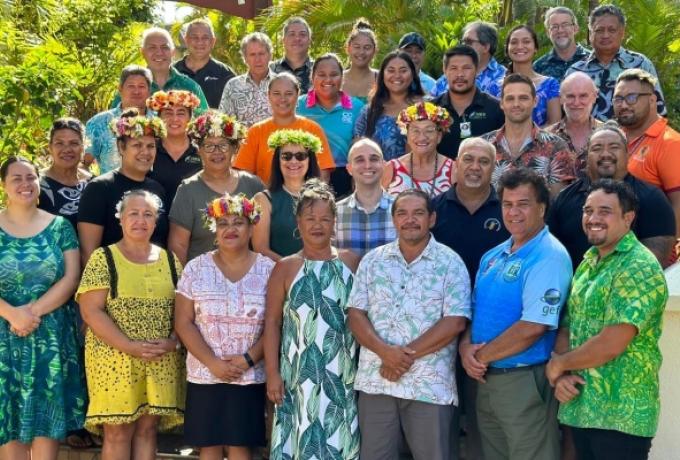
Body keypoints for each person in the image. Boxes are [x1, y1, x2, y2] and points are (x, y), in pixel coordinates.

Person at [547, 179, 668, 460]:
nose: (593, 219)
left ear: (628, 218)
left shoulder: (639, 265)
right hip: (583, 408)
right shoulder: (589, 262)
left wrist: (559, 364)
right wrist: (563, 375)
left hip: (621, 417)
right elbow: (568, 324)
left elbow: (613, 341)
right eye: (588, 211)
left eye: (605, 211)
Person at [347, 188, 471, 459]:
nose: (410, 220)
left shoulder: (450, 263)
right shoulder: (373, 261)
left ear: (432, 218)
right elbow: (355, 315)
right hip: (377, 382)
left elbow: (455, 322)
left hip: (428, 386)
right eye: (402, 213)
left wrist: (401, 357)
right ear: (394, 220)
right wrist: (386, 353)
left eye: (418, 213)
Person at [460, 167, 571, 460]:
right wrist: (464, 349)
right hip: (485, 379)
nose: (514, 212)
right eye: (508, 204)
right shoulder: (493, 255)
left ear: (542, 208)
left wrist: (478, 358)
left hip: (522, 381)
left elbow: (535, 326)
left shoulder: (549, 255)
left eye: (523, 204)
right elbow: (474, 312)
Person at [77, 190, 184, 460]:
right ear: (121, 219)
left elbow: (185, 312)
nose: (140, 220)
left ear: (156, 221)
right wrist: (129, 346)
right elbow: (91, 311)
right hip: (114, 357)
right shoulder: (104, 258)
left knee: (148, 431)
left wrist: (173, 341)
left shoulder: (171, 261)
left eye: (148, 214)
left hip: (160, 358)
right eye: (133, 214)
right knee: (117, 432)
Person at [264, 179, 361, 460]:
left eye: (324, 219)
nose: (317, 225)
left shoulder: (351, 263)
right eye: (310, 218)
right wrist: (272, 374)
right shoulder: (285, 267)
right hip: (296, 376)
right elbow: (272, 323)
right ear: (298, 222)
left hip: (342, 376)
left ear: (334, 222)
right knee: (299, 441)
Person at [175, 193, 273, 460]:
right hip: (205, 373)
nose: (230, 229)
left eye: (238, 222)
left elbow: (275, 324)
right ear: (214, 229)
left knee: (241, 445)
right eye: (223, 223)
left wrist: (247, 359)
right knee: (209, 445)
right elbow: (183, 321)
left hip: (250, 373)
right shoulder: (196, 268)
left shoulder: (269, 270)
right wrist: (212, 362)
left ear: (252, 227)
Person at [0, 156, 86, 459]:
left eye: (31, 177)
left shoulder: (60, 226)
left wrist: (30, 314)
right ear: (4, 186)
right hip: (4, 339)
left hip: (50, 336)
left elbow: (72, 277)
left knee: (46, 425)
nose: (25, 184)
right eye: (17, 179)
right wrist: (12, 314)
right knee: (7, 420)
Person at [431, 137, 510, 460]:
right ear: (456, 164)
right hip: (440, 327)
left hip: (488, 329)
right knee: (441, 418)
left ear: (494, 168)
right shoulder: (434, 209)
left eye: (484, 161)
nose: (475, 167)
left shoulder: (508, 209)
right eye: (469, 159)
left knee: (482, 420)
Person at [548, 123, 675, 268]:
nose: (605, 154)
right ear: (586, 157)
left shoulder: (651, 198)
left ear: (627, 154)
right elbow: (551, 252)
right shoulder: (565, 199)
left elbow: (652, 264)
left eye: (614, 147)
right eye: (597, 148)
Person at [169, 111, 263, 265]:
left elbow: (263, 239)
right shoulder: (188, 190)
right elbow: (178, 245)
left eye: (223, 145)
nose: (217, 152)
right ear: (198, 150)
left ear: (235, 148)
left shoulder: (253, 185)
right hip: (201, 282)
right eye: (209, 146)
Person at [78, 109, 169, 265]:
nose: (145, 152)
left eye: (150, 146)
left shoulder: (157, 189)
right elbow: (89, 253)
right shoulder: (99, 188)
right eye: (137, 145)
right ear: (121, 147)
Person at [566, 3, 666, 121]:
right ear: (590, 33)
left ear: (622, 33)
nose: (605, 35)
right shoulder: (576, 71)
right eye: (599, 30)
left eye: (612, 30)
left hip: (633, 138)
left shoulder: (641, 65)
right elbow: (565, 118)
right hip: (586, 139)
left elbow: (659, 111)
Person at [481, 73, 575, 196]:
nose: (516, 104)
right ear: (501, 103)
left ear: (535, 101)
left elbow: (559, 202)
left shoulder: (556, 146)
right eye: (510, 98)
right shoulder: (483, 146)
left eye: (523, 98)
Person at [233, 73, 334, 185]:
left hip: (305, 199)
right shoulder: (256, 131)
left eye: (289, 94)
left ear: (298, 94)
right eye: (276, 94)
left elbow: (323, 175)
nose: (282, 99)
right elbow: (243, 175)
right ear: (268, 95)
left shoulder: (312, 129)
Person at [614, 68, 680, 237]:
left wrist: (666, 257)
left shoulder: (670, 143)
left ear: (652, 100)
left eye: (632, 97)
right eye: (618, 99)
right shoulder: (614, 138)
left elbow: (678, 205)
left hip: (655, 251)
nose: (623, 105)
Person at [297, 53, 365, 197]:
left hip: (345, 178)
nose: (328, 79)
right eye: (321, 74)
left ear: (342, 77)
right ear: (312, 77)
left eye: (334, 74)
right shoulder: (298, 105)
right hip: (305, 173)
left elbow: (361, 145)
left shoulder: (357, 107)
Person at [251, 129, 322, 261]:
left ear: (310, 160)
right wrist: (294, 269)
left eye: (300, 156)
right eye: (286, 156)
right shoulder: (263, 200)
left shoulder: (323, 198)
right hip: (278, 275)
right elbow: (260, 249)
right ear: (278, 161)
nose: (293, 161)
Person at [111, 27, 208, 113]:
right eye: (152, 47)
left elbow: (205, 124)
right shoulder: (129, 88)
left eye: (165, 47)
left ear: (173, 52)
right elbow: (112, 122)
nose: (159, 52)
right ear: (143, 52)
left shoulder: (190, 87)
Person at [433, 45, 504, 160]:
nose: (460, 74)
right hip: (441, 176)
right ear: (445, 71)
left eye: (466, 68)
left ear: (477, 70)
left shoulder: (496, 109)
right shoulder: (431, 110)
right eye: (453, 68)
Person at [354, 51, 425, 161]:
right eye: (391, 71)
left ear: (412, 75)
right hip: (376, 174)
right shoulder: (369, 110)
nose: (397, 76)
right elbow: (357, 147)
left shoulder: (424, 108)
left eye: (403, 71)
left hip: (416, 174)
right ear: (382, 75)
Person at [487, 25, 561, 127]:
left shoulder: (549, 84)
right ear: (507, 48)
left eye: (526, 41)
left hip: (542, 141)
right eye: (514, 42)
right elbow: (491, 124)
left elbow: (554, 124)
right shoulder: (495, 87)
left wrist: (528, 139)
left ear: (535, 48)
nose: (520, 46)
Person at [85, 65, 154, 174]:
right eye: (131, 86)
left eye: (141, 86)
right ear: (120, 89)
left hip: (152, 189)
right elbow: (81, 163)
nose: (136, 91)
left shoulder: (158, 122)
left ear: (149, 90)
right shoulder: (99, 123)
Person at [335, 138, 396, 258]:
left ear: (384, 165)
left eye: (374, 159)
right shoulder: (335, 213)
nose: (367, 165)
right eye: (359, 160)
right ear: (349, 169)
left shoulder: (400, 210)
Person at [382, 101, 455, 197]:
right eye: (415, 130)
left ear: (439, 136)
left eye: (429, 131)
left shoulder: (453, 169)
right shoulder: (391, 169)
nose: (422, 137)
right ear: (407, 135)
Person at [146, 90, 203, 205]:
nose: (174, 119)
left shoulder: (202, 150)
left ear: (190, 118)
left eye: (181, 113)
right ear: (159, 118)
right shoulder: (148, 149)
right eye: (168, 113)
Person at [39, 118, 92, 232]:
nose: (67, 149)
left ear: (83, 147)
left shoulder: (93, 183)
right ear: (50, 147)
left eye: (74, 143)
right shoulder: (37, 185)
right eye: (59, 143)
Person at [547, 71, 602, 176]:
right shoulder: (545, 138)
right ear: (561, 98)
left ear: (595, 96)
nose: (576, 103)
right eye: (570, 96)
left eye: (583, 96)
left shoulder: (610, 135)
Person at [432, 21, 507, 97]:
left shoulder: (502, 78)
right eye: (463, 42)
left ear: (485, 47)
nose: (464, 46)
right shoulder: (450, 74)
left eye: (469, 42)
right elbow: (429, 102)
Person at [174, 18, 235, 109]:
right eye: (194, 37)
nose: (200, 42)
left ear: (213, 42)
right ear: (186, 40)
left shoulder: (225, 74)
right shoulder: (173, 71)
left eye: (205, 37)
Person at [219, 32, 276, 127]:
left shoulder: (283, 84)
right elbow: (224, 122)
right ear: (245, 58)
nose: (258, 59)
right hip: (244, 141)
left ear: (270, 55)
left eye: (261, 53)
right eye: (252, 55)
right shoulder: (233, 86)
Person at [533, 6, 590, 81]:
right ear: (548, 33)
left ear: (575, 28)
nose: (560, 30)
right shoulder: (538, 67)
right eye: (554, 27)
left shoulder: (592, 60)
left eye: (565, 25)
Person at [269, 17, 314, 94]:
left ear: (309, 40)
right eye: (292, 34)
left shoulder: (319, 71)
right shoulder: (270, 71)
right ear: (283, 40)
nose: (297, 38)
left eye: (302, 34)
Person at [342, 18, 378, 103]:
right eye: (357, 47)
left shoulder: (382, 79)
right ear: (348, 48)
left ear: (374, 50)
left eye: (367, 47)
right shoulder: (336, 79)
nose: (361, 52)